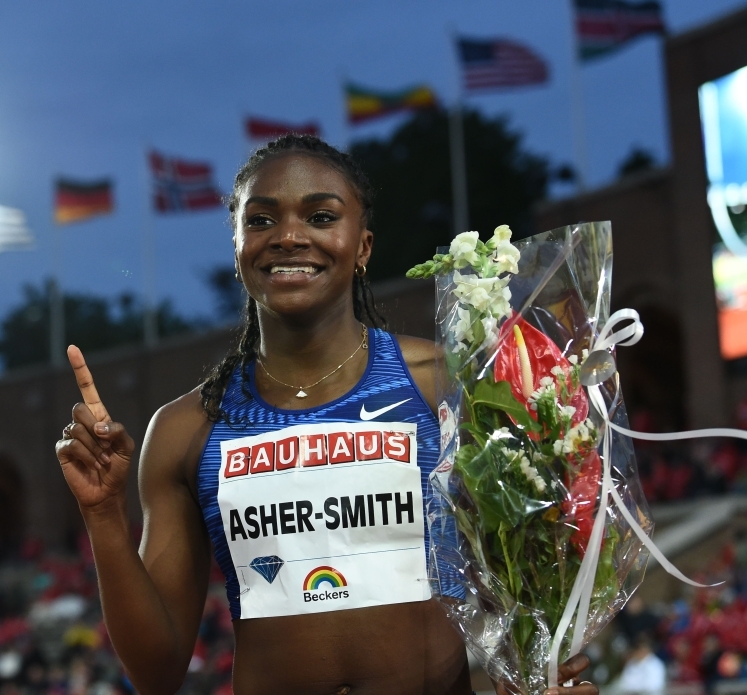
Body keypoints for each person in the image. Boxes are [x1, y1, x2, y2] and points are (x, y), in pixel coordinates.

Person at [55, 135, 596, 695]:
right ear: (238, 245)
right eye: (261, 220)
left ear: (362, 246)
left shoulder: (446, 385)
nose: (289, 237)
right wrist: (104, 517)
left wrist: (532, 673)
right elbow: (157, 672)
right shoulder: (186, 431)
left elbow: (522, 581)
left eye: (319, 216)